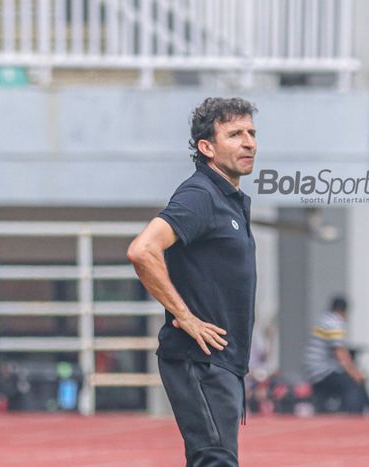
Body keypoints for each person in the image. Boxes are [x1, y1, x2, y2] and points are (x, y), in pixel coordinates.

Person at [127, 97, 257, 467]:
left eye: (251, 133)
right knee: (215, 460)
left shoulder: (228, 198)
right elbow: (143, 250)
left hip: (222, 363)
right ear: (207, 147)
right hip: (200, 359)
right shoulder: (200, 195)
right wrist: (185, 316)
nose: (248, 142)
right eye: (234, 134)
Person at [304, 296, 369, 414]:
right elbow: (339, 351)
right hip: (323, 372)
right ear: (343, 311)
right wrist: (355, 373)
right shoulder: (334, 322)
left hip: (314, 371)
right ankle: (352, 417)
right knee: (353, 385)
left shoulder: (323, 319)